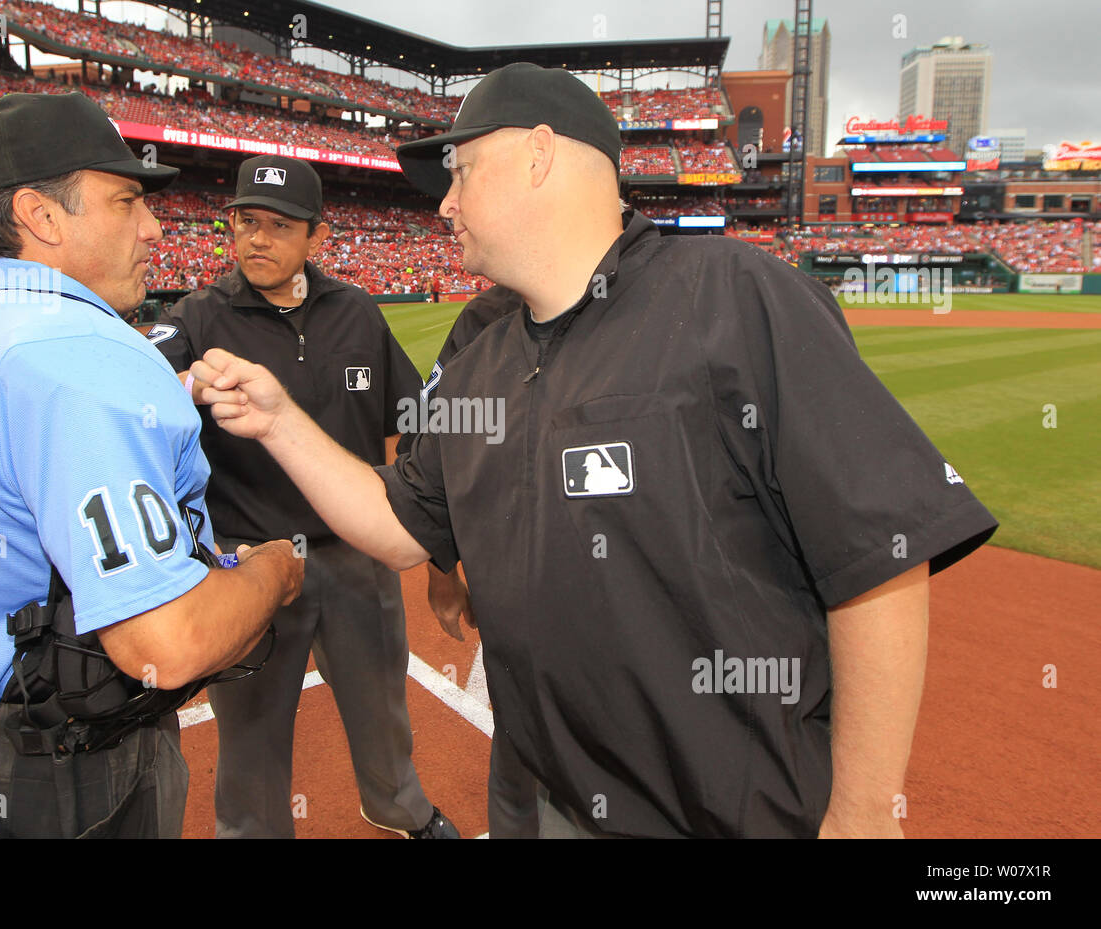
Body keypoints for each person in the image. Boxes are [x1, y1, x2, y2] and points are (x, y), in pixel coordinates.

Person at [189, 63, 1000, 838]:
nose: (444, 207)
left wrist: (860, 816)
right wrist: (277, 420)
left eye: (462, 173)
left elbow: (881, 558)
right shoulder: (482, 363)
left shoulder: (734, 296)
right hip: (555, 804)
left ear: (539, 154)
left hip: (736, 818)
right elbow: (400, 524)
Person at [0, 92, 303, 839]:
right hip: (74, 768)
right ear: (42, 216)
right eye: (127, 200)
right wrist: (273, 570)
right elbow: (166, 645)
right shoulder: (85, 357)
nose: (152, 226)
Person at [150, 154, 458, 839]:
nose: (257, 238)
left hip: (357, 552)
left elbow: (416, 430)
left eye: (278, 226)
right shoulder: (196, 316)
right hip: (249, 558)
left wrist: (434, 554)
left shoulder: (355, 310)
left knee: (380, 701)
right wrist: (186, 385)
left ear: (315, 237)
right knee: (252, 723)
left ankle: (395, 803)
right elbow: (142, 395)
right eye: (246, 222)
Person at [396, 283, 539, 839]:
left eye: (463, 187)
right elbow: (425, 445)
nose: (447, 207)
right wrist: (442, 569)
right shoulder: (489, 316)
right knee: (521, 768)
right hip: (520, 595)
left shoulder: (685, 296)